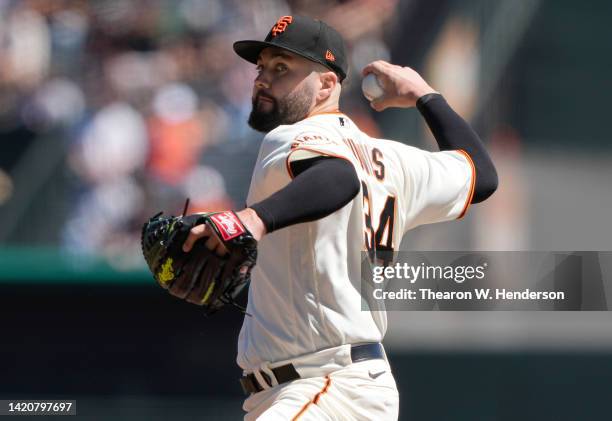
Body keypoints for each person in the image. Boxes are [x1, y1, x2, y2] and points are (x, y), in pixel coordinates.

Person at [182, 15, 497, 420]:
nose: (263, 79)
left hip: (323, 384)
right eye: (261, 67)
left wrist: (251, 220)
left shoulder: (291, 136)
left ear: (328, 85)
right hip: (339, 385)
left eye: (282, 68)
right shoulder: (393, 160)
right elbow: (480, 175)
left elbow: (339, 176)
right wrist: (424, 94)